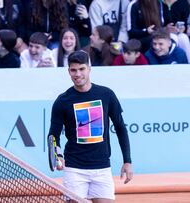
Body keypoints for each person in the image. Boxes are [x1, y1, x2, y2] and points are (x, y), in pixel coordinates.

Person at [48, 50, 133, 202]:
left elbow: (120, 128)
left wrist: (127, 161)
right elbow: (53, 135)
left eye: (81, 69)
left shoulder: (106, 94)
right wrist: (58, 155)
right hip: (74, 169)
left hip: (102, 168)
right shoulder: (62, 101)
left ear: (89, 69)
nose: (77, 74)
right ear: (68, 71)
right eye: (73, 70)